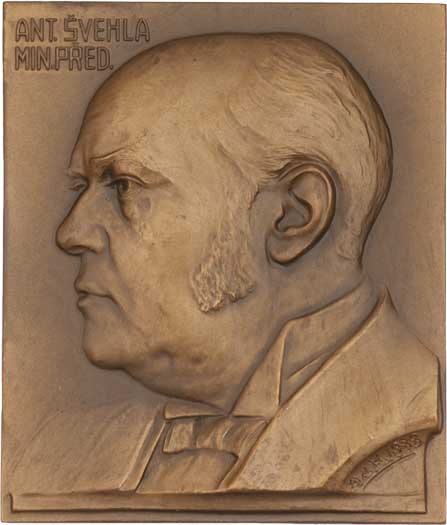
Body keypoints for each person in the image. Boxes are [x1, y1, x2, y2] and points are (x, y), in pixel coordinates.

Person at [13, 33, 440, 510]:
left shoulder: (408, 438)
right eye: (82, 186)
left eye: (125, 186)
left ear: (293, 217)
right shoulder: (54, 455)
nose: (70, 233)